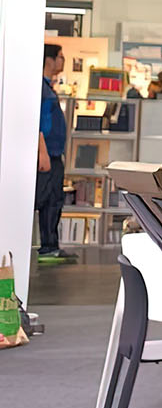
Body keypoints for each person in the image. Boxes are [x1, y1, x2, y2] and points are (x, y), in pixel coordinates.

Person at [35, 43, 73, 261]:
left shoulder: (47, 87)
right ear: (49, 60)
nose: (63, 61)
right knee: (48, 200)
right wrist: (43, 153)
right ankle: (48, 247)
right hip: (47, 154)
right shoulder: (41, 89)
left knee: (53, 200)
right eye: (60, 56)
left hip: (53, 153)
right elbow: (39, 124)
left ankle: (51, 246)